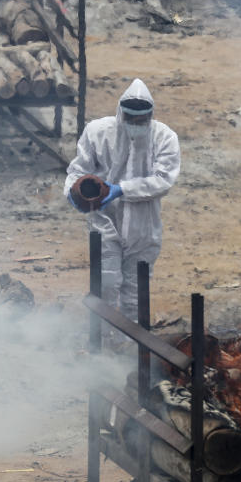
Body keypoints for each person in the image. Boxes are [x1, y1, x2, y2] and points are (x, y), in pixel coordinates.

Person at [64, 78, 181, 324]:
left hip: (143, 223)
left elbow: (163, 179)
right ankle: (103, 339)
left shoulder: (164, 138)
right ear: (120, 114)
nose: (136, 125)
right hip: (104, 220)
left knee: (136, 288)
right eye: (131, 119)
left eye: (142, 121)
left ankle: (132, 344)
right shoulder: (97, 132)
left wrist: (121, 189)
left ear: (150, 116)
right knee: (106, 282)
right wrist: (72, 194)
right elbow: (77, 170)